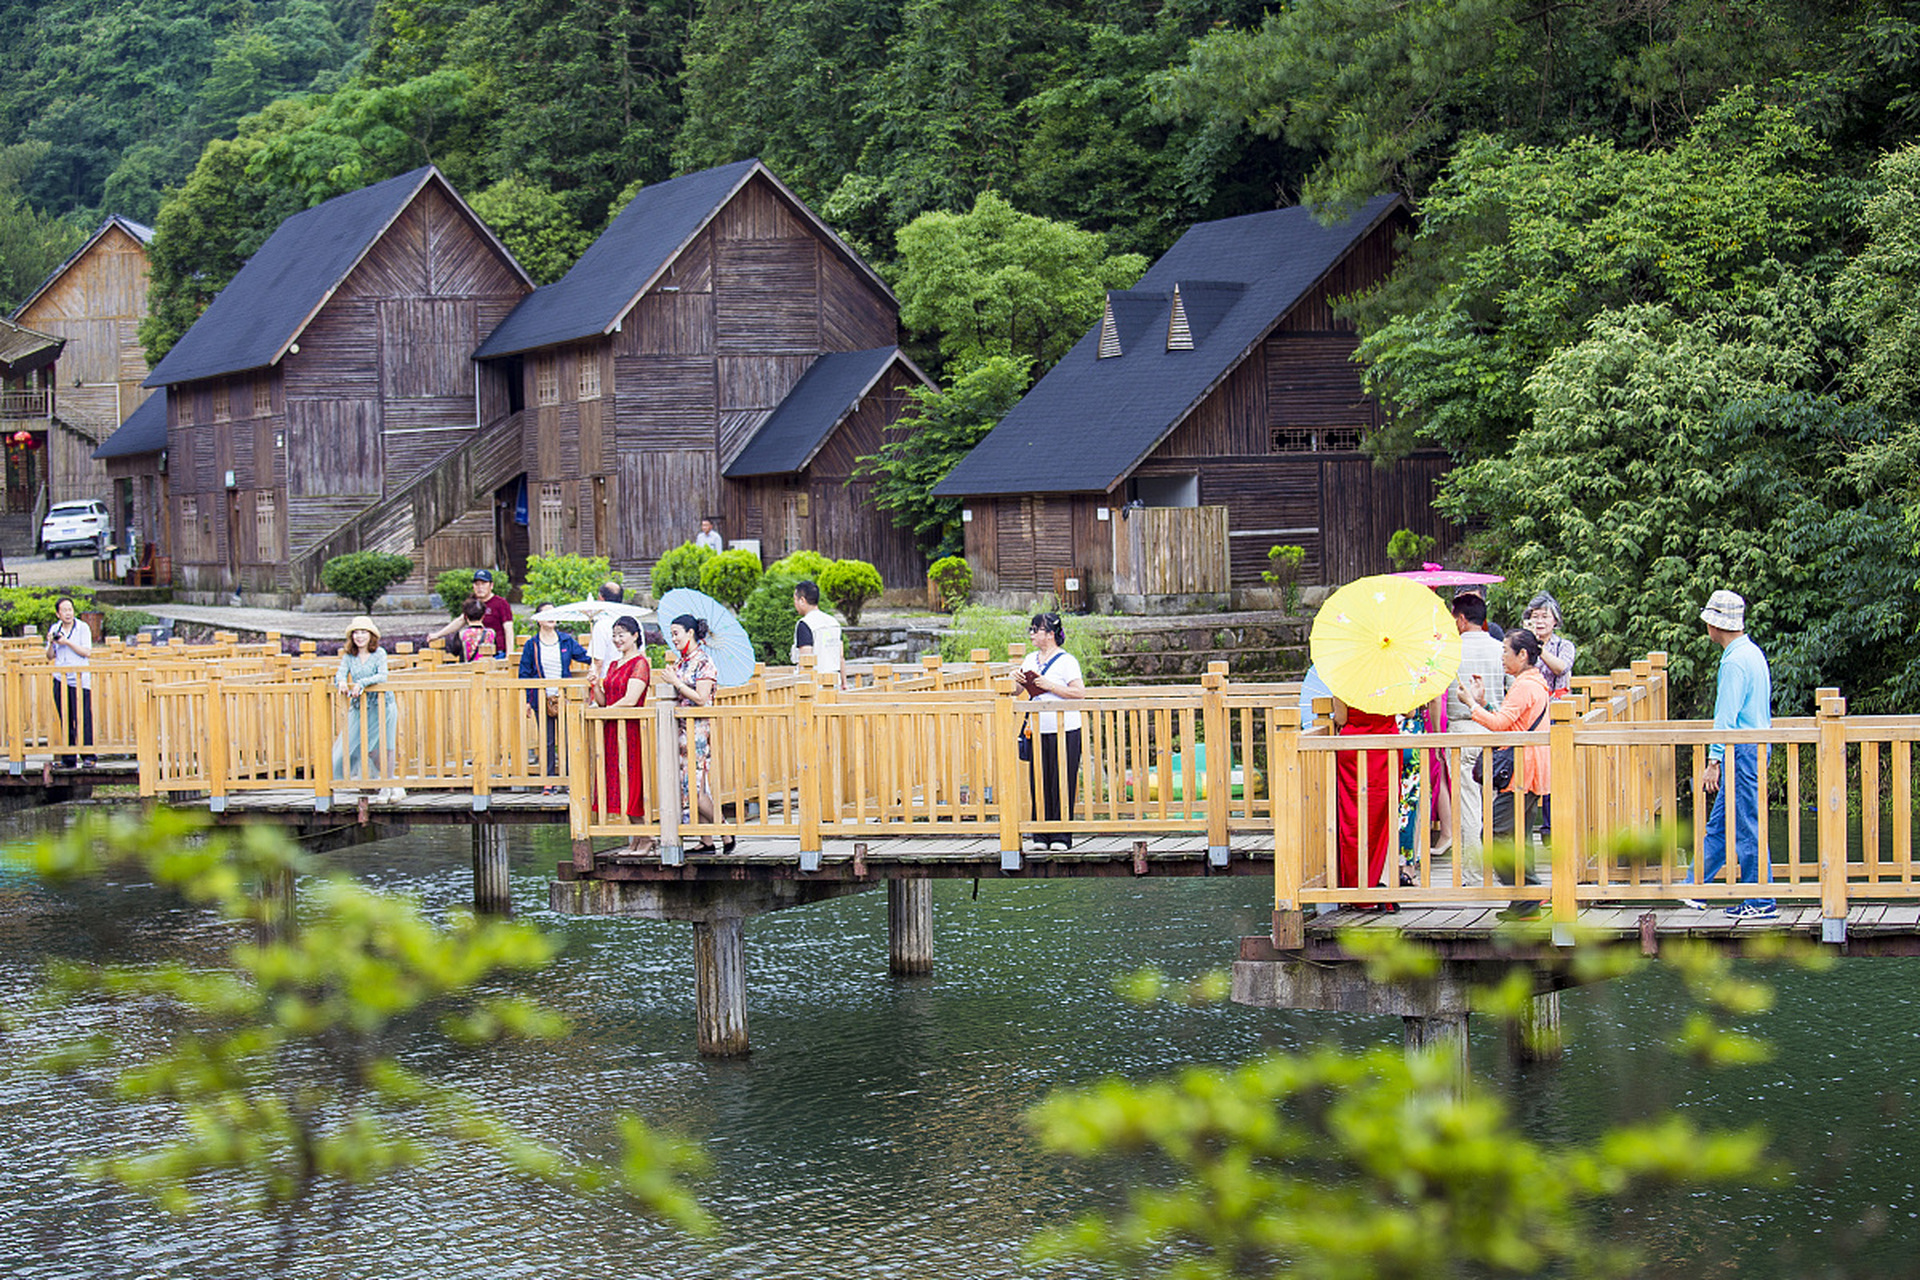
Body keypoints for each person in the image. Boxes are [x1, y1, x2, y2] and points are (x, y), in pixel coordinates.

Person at [1683, 589, 1776, 918]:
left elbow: (1727, 715)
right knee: (1722, 825)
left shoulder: (1735, 661)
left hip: (1742, 750)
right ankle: (1695, 886)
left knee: (1747, 825)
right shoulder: (1751, 652)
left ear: (1714, 625)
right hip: (1753, 746)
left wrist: (1714, 761)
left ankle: (1761, 900)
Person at [1461, 628, 1551, 919]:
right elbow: (1511, 721)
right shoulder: (1532, 682)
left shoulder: (1525, 685)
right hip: (1529, 766)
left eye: (1505, 651)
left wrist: (1472, 705)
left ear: (1522, 655)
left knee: (1495, 833)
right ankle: (1527, 898)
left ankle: (1525, 893)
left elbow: (1501, 725)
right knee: (1518, 836)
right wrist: (1484, 703)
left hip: (1521, 771)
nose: (1501, 657)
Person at [1449, 592, 1509, 884]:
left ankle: (1474, 873)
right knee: (1493, 804)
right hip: (1495, 729)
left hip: (1462, 730)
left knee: (1469, 805)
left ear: (1461, 619)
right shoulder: (1501, 649)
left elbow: (1438, 698)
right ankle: (1498, 868)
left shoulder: (1449, 651)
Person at [661, 614, 729, 851]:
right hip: (680, 730)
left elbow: (701, 698)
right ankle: (706, 839)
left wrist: (677, 683)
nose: (674, 638)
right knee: (686, 787)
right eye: (672, 634)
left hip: (697, 730)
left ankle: (724, 829)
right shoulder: (681, 663)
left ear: (690, 633)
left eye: (677, 633)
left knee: (695, 789)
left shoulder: (704, 661)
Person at [1019, 612, 1086, 850]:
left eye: (1036, 630)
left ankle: (1061, 836)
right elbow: (1017, 691)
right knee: (1039, 780)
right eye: (1031, 629)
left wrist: (1051, 686)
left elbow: (1079, 692)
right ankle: (1040, 836)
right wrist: (1015, 680)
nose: (1032, 634)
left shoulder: (1067, 661)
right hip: (1037, 729)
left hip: (1065, 729)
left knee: (1062, 779)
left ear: (1050, 634)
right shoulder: (1029, 659)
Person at [591, 614, 653, 851]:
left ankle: (646, 836)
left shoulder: (640, 663)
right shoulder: (614, 664)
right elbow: (605, 699)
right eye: (614, 635)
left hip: (629, 729)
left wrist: (606, 712)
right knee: (615, 778)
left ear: (635, 636)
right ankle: (637, 836)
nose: (617, 640)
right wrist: (596, 684)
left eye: (622, 635)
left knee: (631, 780)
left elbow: (630, 699)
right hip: (611, 728)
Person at [1332, 694, 1397, 909]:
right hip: (1386, 745)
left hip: (1354, 746)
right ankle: (1383, 881)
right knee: (1384, 817)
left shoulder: (1345, 677)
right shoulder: (1394, 675)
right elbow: (1410, 712)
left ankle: (1356, 887)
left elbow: (1341, 719)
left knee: (1353, 817)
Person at [332, 616, 402, 802]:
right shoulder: (349, 656)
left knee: (382, 746)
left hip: (382, 704)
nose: (359, 636)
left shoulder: (379, 653)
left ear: (371, 635)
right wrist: (341, 682)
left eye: (363, 632)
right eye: (356, 633)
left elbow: (382, 675)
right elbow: (340, 672)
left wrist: (361, 683)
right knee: (355, 747)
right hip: (360, 706)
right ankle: (393, 785)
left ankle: (387, 787)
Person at [520, 605, 590, 787]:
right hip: (541, 697)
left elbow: (585, 657)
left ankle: (569, 780)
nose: (551, 617)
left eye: (554, 613)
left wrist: (600, 658)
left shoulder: (566, 640)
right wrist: (527, 701)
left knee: (567, 737)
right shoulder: (532, 644)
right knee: (547, 740)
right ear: (538, 619)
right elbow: (524, 673)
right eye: (547, 614)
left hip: (564, 697)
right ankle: (549, 780)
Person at [46, 596, 93, 768]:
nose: (68, 613)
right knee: (65, 718)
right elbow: (50, 656)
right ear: (58, 614)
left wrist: (67, 642)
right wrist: (52, 642)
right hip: (60, 678)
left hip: (80, 679)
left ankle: (89, 756)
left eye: (70, 609)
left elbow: (86, 652)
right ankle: (69, 758)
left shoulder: (83, 628)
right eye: (64, 610)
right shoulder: (55, 628)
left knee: (83, 718)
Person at [430, 569, 513, 658]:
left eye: (483, 584)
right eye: (477, 584)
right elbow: (460, 620)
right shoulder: (472, 603)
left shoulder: (501, 603)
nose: (480, 587)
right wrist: (437, 635)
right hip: (476, 655)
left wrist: (509, 656)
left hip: (497, 653)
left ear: (491, 585)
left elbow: (508, 630)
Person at [791, 579, 843, 683]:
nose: (794, 603)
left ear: (802, 600)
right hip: (835, 680)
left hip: (816, 683)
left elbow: (806, 660)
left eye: (795, 599)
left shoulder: (805, 624)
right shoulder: (834, 622)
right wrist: (844, 683)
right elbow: (841, 657)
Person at [1526, 592, 1575, 696]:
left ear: (1555, 621)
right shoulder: (1521, 645)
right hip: (1530, 702)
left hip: (1558, 704)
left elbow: (1561, 669)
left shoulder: (1564, 646)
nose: (1539, 621)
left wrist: (1538, 647)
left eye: (1545, 616)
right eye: (1535, 616)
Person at [587, 579, 625, 682]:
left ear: (601, 598)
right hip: (631, 678)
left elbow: (598, 661)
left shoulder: (602, 625)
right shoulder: (635, 621)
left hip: (609, 680)